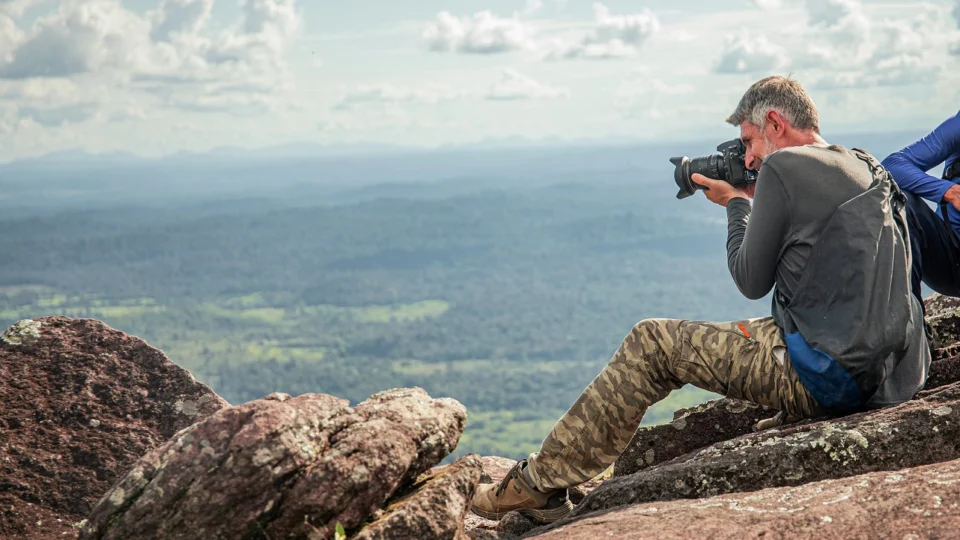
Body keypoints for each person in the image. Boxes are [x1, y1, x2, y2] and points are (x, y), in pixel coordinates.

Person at [470, 76, 930, 524]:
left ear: (775, 123)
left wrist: (736, 205)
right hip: (895, 377)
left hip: (833, 381)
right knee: (760, 329)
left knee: (651, 342)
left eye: (749, 140)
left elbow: (750, 279)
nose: (748, 158)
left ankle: (537, 485)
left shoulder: (784, 168)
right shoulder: (865, 165)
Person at [882, 112, 960, 303]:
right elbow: (892, 166)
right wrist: (949, 191)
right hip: (950, 257)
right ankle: (911, 323)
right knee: (902, 202)